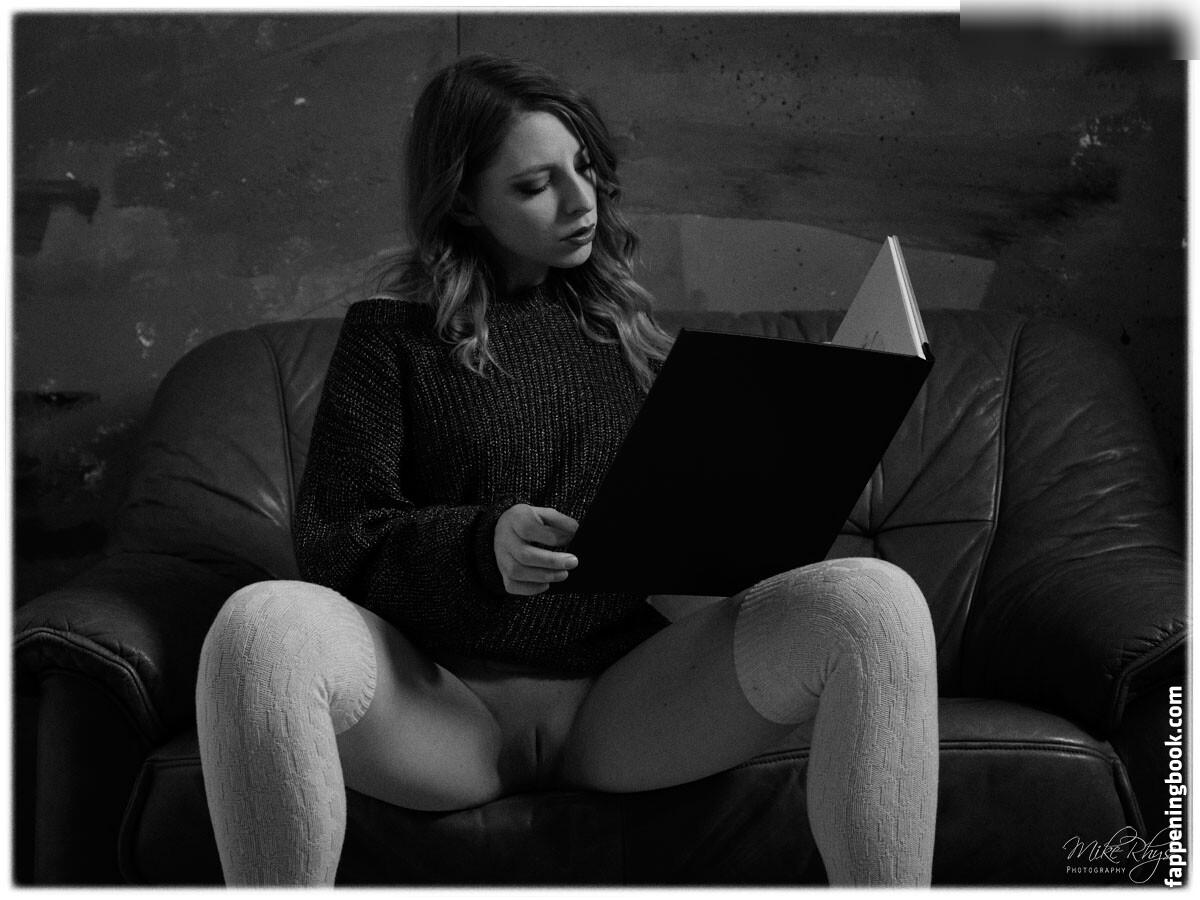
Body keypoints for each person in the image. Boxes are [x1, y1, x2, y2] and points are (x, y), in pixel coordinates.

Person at [195, 52, 939, 887]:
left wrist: (791, 475)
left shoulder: (627, 331)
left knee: (876, 602)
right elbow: (337, 542)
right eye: (534, 185)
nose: (581, 202)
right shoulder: (388, 336)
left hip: (622, 702)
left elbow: (680, 560)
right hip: (443, 706)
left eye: (584, 169)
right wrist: (481, 546)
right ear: (464, 202)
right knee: (260, 625)